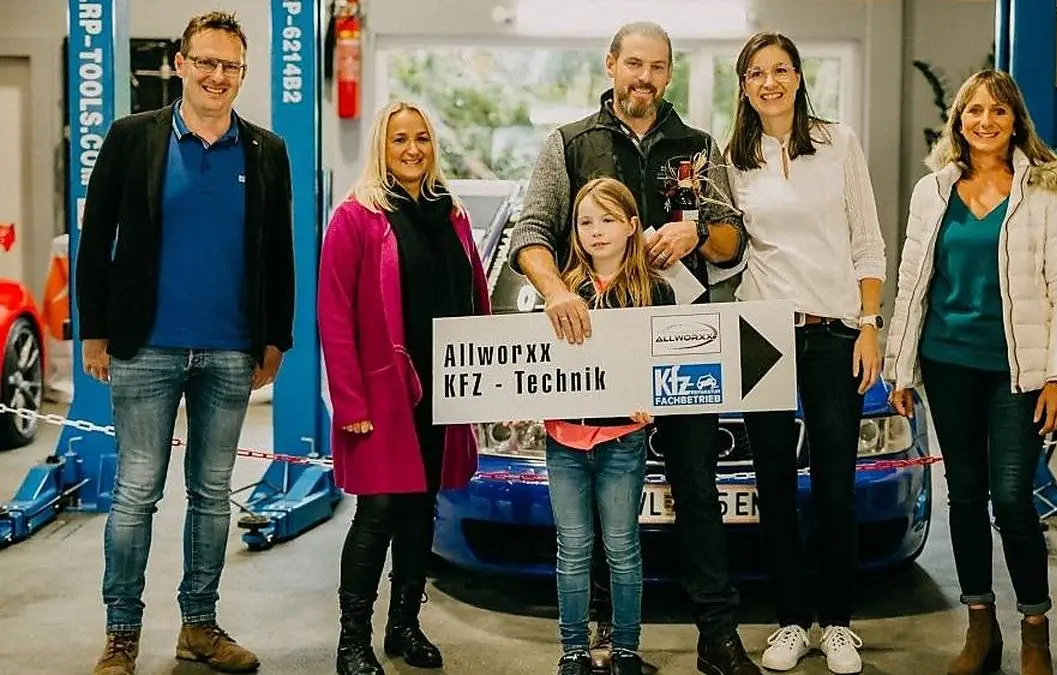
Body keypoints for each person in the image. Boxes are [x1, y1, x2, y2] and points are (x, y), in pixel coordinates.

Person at [508, 21, 760, 675]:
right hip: (595, 350)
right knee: (596, 500)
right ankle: (595, 637)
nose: (643, 78)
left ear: (668, 75)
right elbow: (531, 229)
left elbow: (734, 241)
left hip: (684, 343)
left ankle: (717, 633)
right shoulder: (570, 144)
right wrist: (555, 294)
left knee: (697, 487)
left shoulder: (698, 146)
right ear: (612, 64)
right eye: (634, 64)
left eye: (657, 68)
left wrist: (698, 231)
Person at [76, 11, 293, 675]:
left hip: (230, 349)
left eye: (230, 66)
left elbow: (278, 251)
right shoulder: (132, 138)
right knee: (137, 491)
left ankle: (199, 624)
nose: (217, 75)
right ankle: (121, 633)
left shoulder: (265, 151)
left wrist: (276, 338)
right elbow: (96, 239)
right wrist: (96, 329)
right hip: (146, 347)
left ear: (242, 72)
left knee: (211, 491)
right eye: (206, 61)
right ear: (180, 63)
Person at [884, 70, 1057, 675]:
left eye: (997, 112)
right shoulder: (932, 192)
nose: (984, 121)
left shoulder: (1047, 195)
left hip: (1018, 375)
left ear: (1015, 122)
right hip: (947, 362)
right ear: (958, 121)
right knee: (966, 499)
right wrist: (901, 368)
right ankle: (981, 628)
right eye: (973, 111)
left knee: (1011, 496)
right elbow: (913, 285)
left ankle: (1035, 631)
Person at [723, 32, 886, 675]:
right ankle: (791, 620)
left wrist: (869, 323)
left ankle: (838, 624)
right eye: (757, 73)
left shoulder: (838, 142)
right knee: (773, 483)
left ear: (797, 77)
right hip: (763, 331)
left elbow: (868, 240)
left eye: (781, 70)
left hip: (834, 331)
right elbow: (727, 250)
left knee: (835, 487)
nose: (770, 82)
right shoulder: (733, 160)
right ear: (743, 86)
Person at [317, 100, 491, 675]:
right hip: (382, 393)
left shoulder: (452, 213)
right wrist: (349, 401)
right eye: (399, 140)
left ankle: (404, 628)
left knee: (422, 512)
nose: (412, 149)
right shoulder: (357, 216)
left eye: (421, 138)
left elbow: (477, 299)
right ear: (381, 148)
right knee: (378, 512)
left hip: (444, 389)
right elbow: (334, 314)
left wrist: (486, 384)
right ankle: (351, 642)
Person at [545, 177, 673, 675]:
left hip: (623, 440)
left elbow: (665, 366)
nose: (596, 232)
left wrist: (653, 402)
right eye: (585, 222)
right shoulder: (562, 291)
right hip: (564, 441)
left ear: (632, 226)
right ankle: (573, 651)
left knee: (622, 546)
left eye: (608, 220)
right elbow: (542, 365)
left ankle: (625, 651)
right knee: (573, 547)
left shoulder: (656, 291)